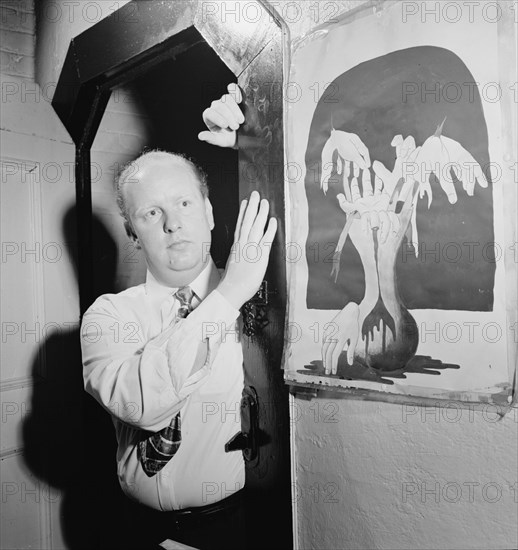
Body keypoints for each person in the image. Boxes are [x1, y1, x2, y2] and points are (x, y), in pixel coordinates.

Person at [80, 84, 276, 549]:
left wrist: (257, 140)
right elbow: (141, 405)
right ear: (132, 231)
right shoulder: (107, 317)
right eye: (151, 213)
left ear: (208, 212)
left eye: (185, 203)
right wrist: (227, 295)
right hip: (136, 532)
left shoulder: (260, 298)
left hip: (233, 531)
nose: (172, 223)